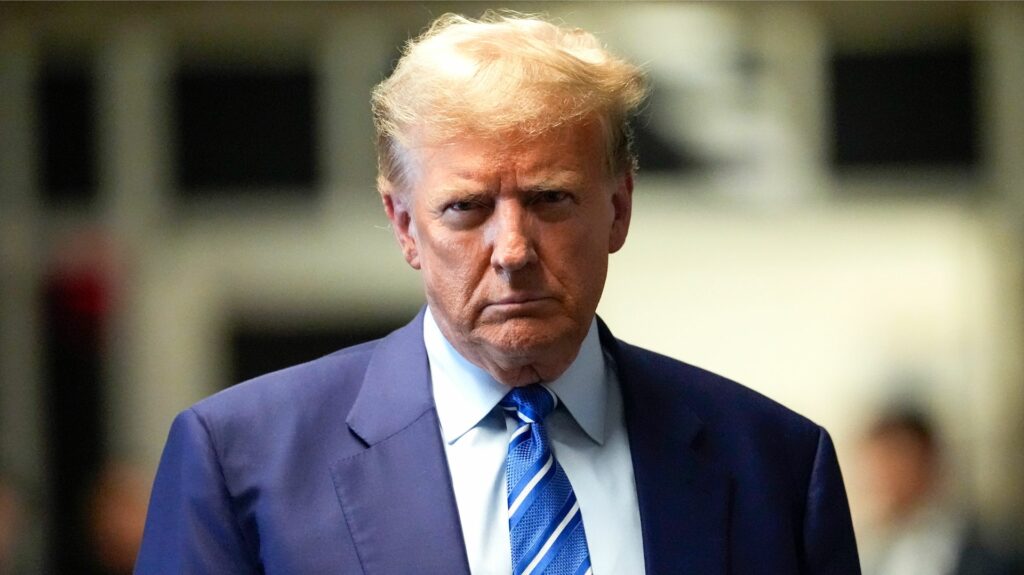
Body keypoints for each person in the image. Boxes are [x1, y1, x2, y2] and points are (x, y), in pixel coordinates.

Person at [135, 12, 860, 574]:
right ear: (403, 224)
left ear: (618, 209)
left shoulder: (775, 467)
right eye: (466, 208)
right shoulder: (242, 464)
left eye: (550, 199)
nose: (512, 250)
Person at [857, 408, 1016, 575]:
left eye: (894, 462)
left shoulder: (991, 553)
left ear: (928, 462)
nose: (883, 478)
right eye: (877, 466)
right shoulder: (870, 552)